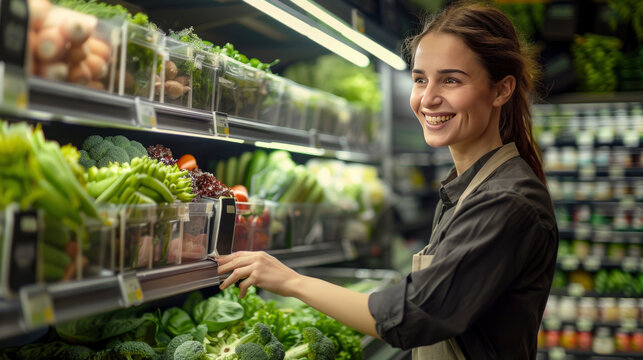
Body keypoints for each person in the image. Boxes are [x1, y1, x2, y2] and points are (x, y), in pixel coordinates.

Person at [215, 1, 558, 359]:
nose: (428, 98)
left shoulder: (506, 200)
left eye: (451, 79)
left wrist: (292, 282)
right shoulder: (469, 186)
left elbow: (412, 315)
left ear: (501, 90)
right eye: (420, 79)